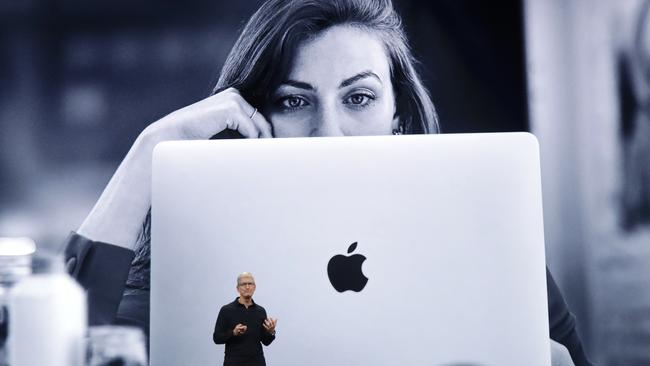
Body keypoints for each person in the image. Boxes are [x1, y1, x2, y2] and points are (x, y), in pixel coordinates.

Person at [61, 0, 592, 365]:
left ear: (397, 116)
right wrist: (150, 149)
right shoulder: (195, 263)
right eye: (294, 100)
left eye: (358, 97)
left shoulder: (489, 251)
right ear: (249, 119)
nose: (329, 132)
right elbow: (60, 350)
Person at [213, 273, 277, 366]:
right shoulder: (226, 310)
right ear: (238, 288)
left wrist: (270, 332)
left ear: (254, 287)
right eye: (243, 284)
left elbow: (265, 341)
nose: (247, 287)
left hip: (257, 362)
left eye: (250, 284)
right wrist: (233, 333)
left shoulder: (260, 311)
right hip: (234, 362)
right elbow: (217, 338)